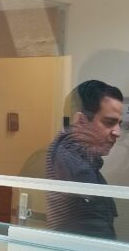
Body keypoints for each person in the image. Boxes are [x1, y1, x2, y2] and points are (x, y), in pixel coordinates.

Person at [45, 80, 124, 239]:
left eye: (118, 123)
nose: (117, 132)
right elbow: (96, 237)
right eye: (109, 122)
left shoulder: (71, 154)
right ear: (80, 121)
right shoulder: (76, 166)